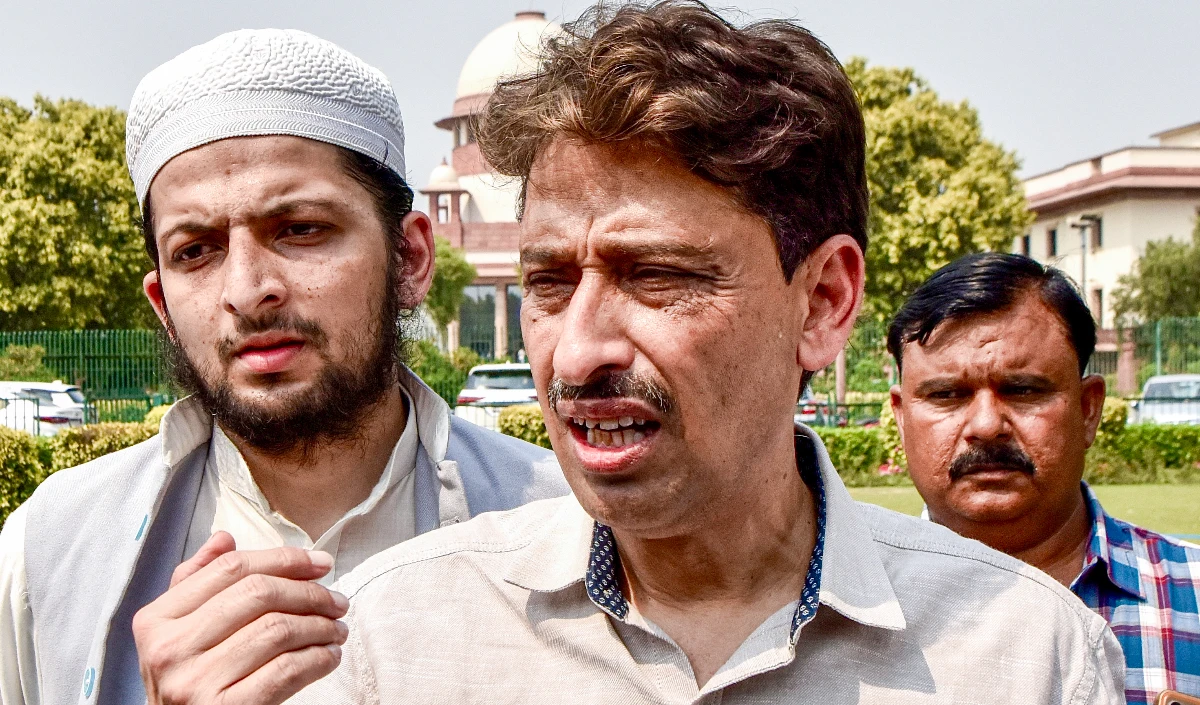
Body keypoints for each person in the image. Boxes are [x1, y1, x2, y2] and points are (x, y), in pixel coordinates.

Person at [247, 4, 1126, 703]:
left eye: (657, 275)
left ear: (823, 300)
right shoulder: (397, 639)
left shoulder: (1026, 656)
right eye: (549, 282)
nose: (577, 352)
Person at [0, 29, 567, 705]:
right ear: (162, 305)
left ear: (410, 259)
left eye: (300, 228)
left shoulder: (566, 526)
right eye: (195, 250)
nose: (247, 290)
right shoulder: (53, 552)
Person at [888, 252, 1200, 705]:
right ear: (901, 418)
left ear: (1088, 409)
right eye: (947, 394)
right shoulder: (842, 614)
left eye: (1023, 390)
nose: (986, 425)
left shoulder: (1192, 594)